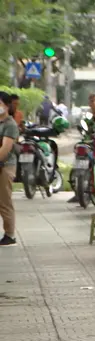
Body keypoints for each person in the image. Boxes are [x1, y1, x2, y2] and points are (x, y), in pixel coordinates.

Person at [0, 92, 20, 246]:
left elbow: (5, 149)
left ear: (6, 105)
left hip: (5, 166)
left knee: (4, 200)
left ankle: (10, 234)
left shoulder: (10, 124)